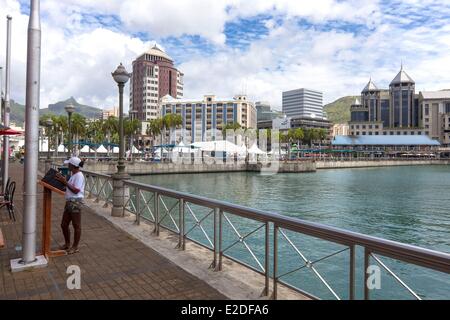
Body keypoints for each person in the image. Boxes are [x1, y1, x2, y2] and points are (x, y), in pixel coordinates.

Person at [55, 156, 85, 255]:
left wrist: (65, 182)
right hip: (69, 201)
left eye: (69, 164)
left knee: (76, 225)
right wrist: (62, 181)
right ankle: (67, 244)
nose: (67, 165)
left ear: (73, 165)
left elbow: (76, 190)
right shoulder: (73, 175)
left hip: (75, 202)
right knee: (64, 224)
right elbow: (69, 187)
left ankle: (75, 247)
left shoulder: (79, 175)